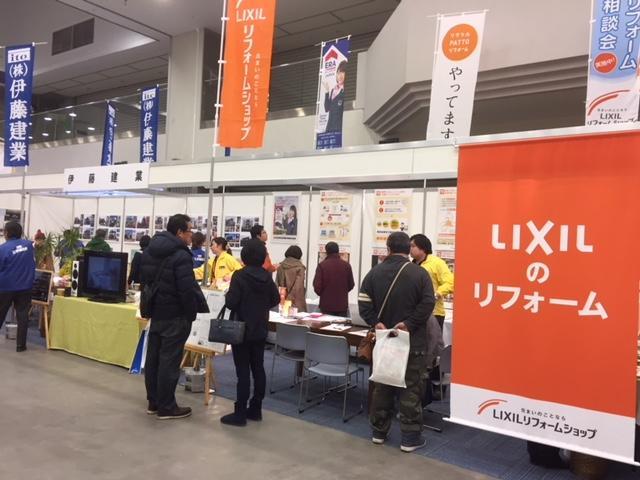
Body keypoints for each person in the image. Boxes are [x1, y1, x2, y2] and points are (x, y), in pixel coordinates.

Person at [358, 232, 435, 452]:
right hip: (412, 341)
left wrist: (376, 322)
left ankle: (378, 432)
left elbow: (363, 302)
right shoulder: (419, 274)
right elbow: (428, 303)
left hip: (384, 339)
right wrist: (409, 324)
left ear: (388, 248)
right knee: (411, 388)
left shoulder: (374, 272)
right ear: (408, 249)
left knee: (382, 385)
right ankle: (409, 438)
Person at [140, 214, 208, 420]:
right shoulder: (181, 255)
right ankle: (167, 407)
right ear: (179, 232)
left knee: (154, 359)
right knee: (169, 362)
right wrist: (190, 313)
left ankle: (153, 402)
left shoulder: (150, 250)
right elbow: (186, 289)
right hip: (175, 315)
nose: (191, 235)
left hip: (156, 312)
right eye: (189, 230)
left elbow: (145, 281)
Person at [220, 239, 280, 426]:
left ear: (245, 256)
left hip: (241, 329)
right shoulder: (266, 277)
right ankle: (256, 408)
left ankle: (239, 412)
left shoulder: (239, 275)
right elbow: (275, 299)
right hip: (260, 328)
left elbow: (231, 302)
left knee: (243, 372)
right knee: (258, 368)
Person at [0, 222, 36, 352]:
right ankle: (21, 345)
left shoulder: (3, 249)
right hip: (25, 286)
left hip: (6, 287)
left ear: (7, 233)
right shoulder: (29, 245)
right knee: (22, 315)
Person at [409, 234, 454, 329]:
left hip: (434, 313)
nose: (410, 249)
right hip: (414, 312)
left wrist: (436, 294)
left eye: (413, 246)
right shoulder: (410, 265)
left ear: (423, 248)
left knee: (432, 338)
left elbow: (450, 283)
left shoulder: (437, 263)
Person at [313, 242, 354, 317]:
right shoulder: (347, 266)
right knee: (341, 324)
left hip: (326, 305)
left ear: (327, 252)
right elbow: (351, 284)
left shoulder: (322, 266)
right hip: (342, 306)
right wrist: (342, 292)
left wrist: (325, 294)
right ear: (338, 251)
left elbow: (317, 286)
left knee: (325, 324)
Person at [276, 245, 308, 312]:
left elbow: (277, 284)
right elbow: (297, 287)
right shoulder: (300, 268)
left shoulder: (280, 267)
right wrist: (289, 299)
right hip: (296, 302)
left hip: (282, 300)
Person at [324, 60, 347, 133]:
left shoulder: (344, 91)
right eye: (339, 72)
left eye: (343, 72)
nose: (340, 75)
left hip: (338, 128)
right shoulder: (333, 90)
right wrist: (327, 92)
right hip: (329, 128)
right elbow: (327, 108)